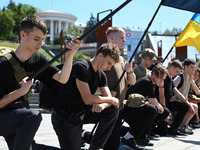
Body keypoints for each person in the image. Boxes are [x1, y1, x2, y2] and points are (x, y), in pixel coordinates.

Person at [0, 15, 81, 150]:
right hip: (5, 118)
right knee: (33, 116)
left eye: (42, 39)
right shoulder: (2, 64)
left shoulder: (38, 60)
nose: (41, 44)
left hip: (21, 118)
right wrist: (20, 92)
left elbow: (63, 78)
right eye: (36, 39)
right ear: (23, 35)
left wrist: (71, 53)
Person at [52, 43, 121, 150]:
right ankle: (33, 147)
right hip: (65, 117)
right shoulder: (81, 66)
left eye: (111, 65)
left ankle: (96, 147)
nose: (109, 68)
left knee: (112, 110)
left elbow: (110, 102)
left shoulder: (101, 75)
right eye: (109, 63)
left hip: (81, 113)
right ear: (100, 55)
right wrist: (111, 99)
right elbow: (88, 99)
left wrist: (103, 105)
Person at [101, 26, 136, 150]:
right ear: (111, 38)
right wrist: (103, 93)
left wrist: (130, 70)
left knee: (113, 141)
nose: (124, 40)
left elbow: (133, 81)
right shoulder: (103, 55)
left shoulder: (121, 59)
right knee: (109, 142)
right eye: (121, 37)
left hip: (119, 106)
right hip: (107, 106)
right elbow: (93, 80)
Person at [121, 64, 168, 148]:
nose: (161, 80)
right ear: (153, 74)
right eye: (160, 78)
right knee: (153, 110)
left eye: (163, 79)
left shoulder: (150, 82)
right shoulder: (146, 82)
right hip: (128, 109)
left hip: (135, 108)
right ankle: (128, 137)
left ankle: (141, 136)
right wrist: (160, 107)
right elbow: (152, 100)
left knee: (161, 111)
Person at [155, 59, 190, 135]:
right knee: (162, 132)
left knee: (185, 106)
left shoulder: (170, 78)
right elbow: (162, 96)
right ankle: (151, 128)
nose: (177, 74)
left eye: (179, 72)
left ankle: (173, 129)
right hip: (161, 104)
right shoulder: (164, 78)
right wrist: (165, 112)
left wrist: (188, 103)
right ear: (172, 67)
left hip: (168, 103)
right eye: (177, 71)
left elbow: (177, 92)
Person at [173, 58, 199, 135]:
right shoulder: (179, 77)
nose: (193, 69)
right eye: (191, 67)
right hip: (177, 102)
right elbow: (171, 87)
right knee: (192, 106)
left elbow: (198, 92)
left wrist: (192, 82)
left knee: (194, 106)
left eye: (194, 68)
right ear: (186, 66)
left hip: (184, 102)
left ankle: (182, 125)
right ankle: (181, 126)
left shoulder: (190, 78)